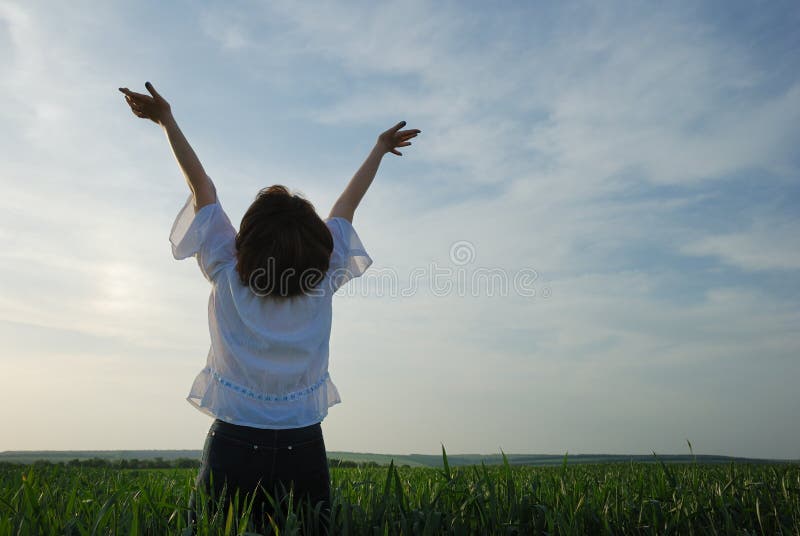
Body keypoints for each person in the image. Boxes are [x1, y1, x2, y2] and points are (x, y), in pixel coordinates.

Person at [118, 82, 420, 534]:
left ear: (247, 239)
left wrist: (166, 121)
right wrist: (378, 150)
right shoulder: (323, 277)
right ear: (318, 246)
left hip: (234, 442)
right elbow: (347, 205)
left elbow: (202, 188)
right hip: (304, 444)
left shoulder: (226, 266)